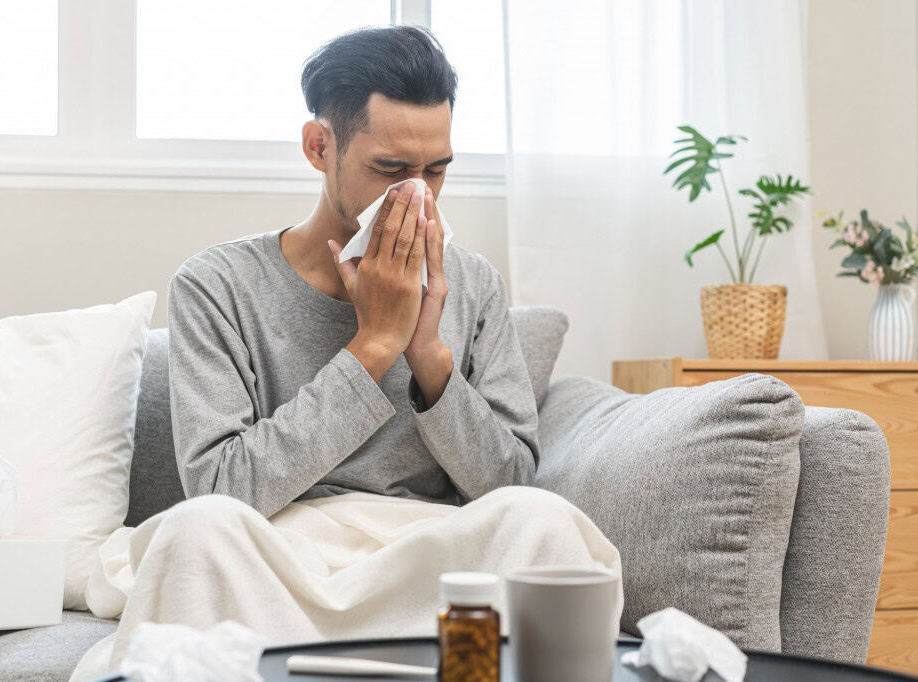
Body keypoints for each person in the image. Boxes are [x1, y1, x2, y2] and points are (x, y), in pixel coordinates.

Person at [71, 26, 620, 678]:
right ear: (318, 146)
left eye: (436, 170)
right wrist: (374, 345)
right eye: (390, 170)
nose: (417, 194)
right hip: (276, 553)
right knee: (198, 531)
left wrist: (428, 355)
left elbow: (508, 485)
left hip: (423, 556)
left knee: (542, 519)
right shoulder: (216, 284)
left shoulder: (471, 284)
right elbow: (221, 490)